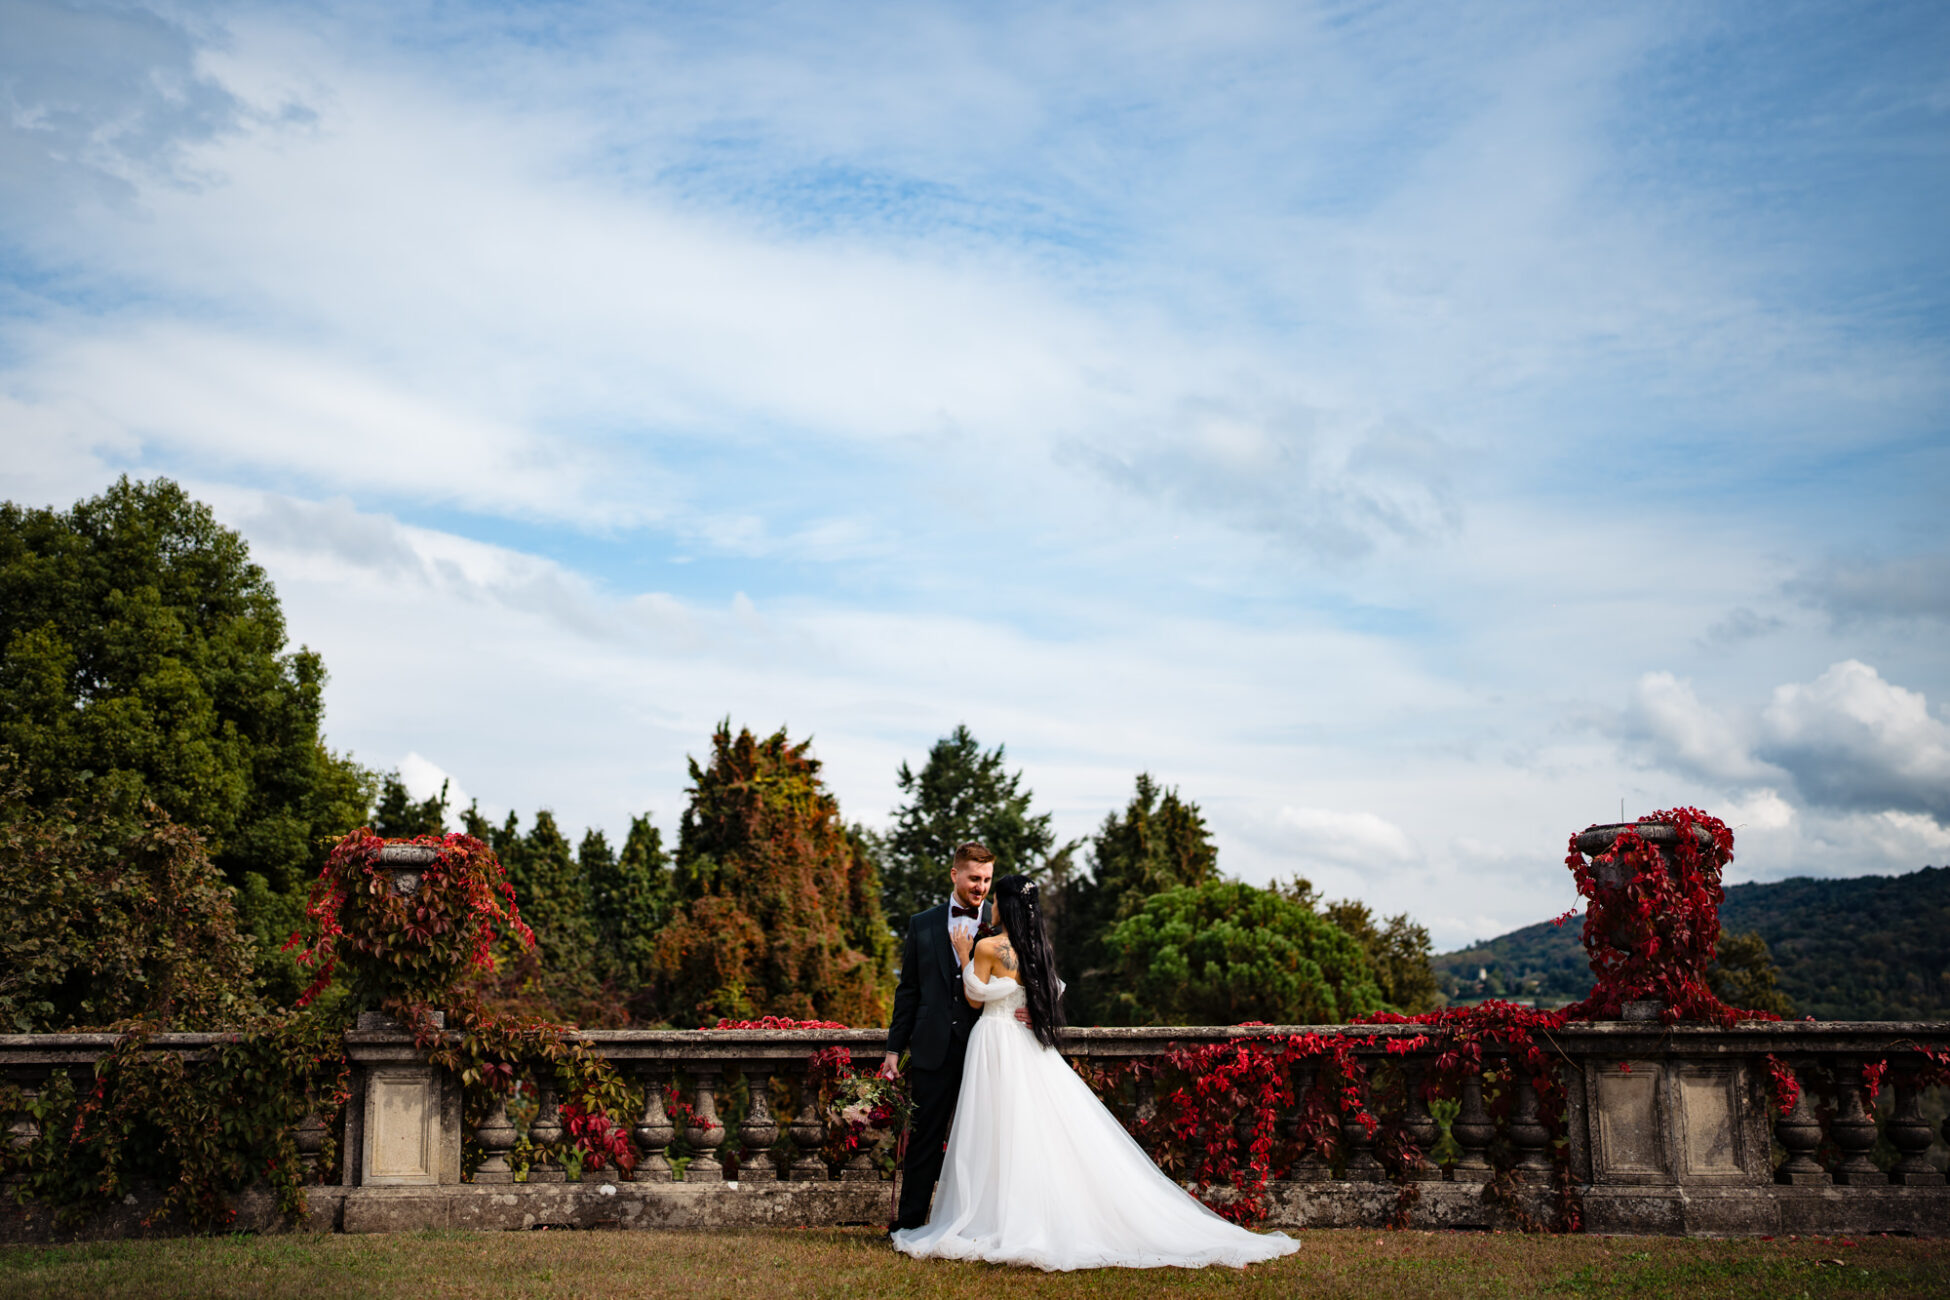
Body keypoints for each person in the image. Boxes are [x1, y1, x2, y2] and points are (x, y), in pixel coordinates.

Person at [890, 873, 1300, 1271]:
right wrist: (1035, 1006)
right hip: (1025, 1047)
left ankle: (992, 1216)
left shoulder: (987, 948)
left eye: (996, 897)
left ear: (1007, 905)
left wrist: (964, 957)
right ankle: (1022, 1214)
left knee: (995, 1132)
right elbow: (1056, 987)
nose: (991, 903)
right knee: (1031, 1132)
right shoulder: (1037, 947)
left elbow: (975, 999)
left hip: (994, 1042)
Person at [881, 841, 995, 1233]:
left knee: (982, 1139)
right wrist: (894, 1048)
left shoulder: (1002, 924)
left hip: (984, 1047)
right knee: (925, 1137)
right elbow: (908, 991)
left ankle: (976, 1225)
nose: (981, 887)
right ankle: (909, 1223)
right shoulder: (922, 924)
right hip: (931, 1047)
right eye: (974, 878)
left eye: (987, 880)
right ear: (955, 874)